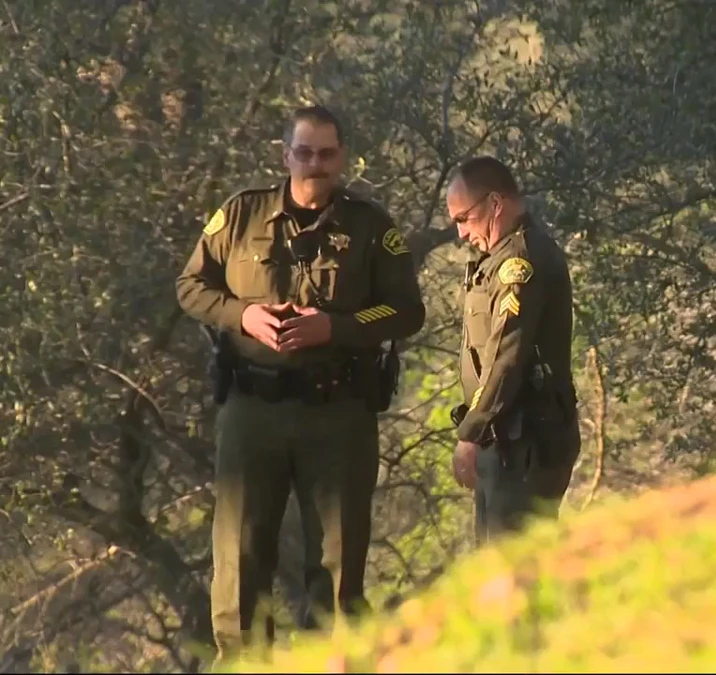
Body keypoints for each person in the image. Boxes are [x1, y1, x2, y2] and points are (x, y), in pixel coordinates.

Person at [175, 105, 425, 659]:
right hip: (251, 408)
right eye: (305, 153)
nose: (316, 164)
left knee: (337, 562)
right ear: (285, 155)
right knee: (239, 558)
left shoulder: (371, 226)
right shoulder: (240, 215)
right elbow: (190, 287)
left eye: (327, 154)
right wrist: (243, 316)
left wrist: (331, 328)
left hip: (338, 414)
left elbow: (407, 312)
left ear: (343, 158)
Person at [445, 156, 582, 546]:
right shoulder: (498, 258)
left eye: (463, 219)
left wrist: (470, 434)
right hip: (505, 440)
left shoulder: (520, 261)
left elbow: (508, 353)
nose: (461, 234)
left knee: (514, 577)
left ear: (494, 204)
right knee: (495, 571)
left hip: (524, 444)